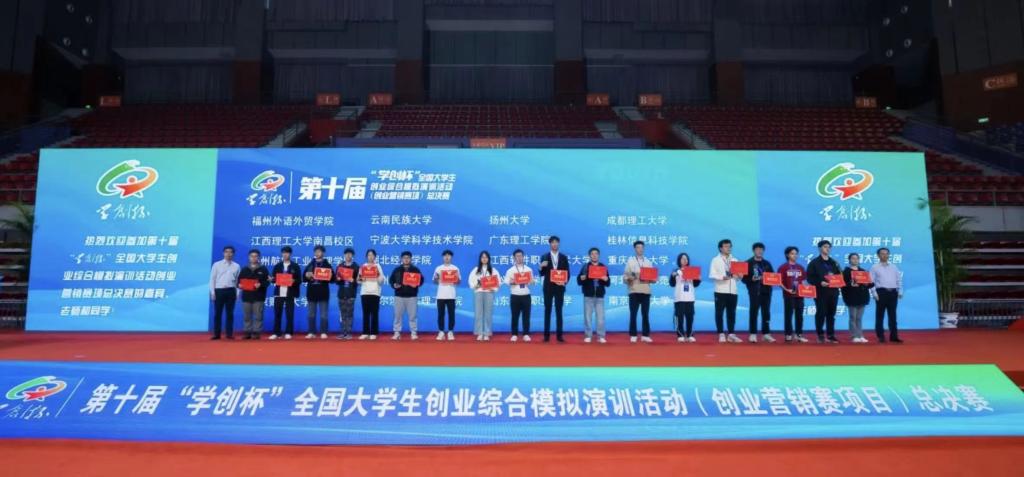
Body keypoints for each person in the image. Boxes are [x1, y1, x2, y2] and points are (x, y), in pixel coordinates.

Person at [807, 240, 842, 343]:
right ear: (819, 248)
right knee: (821, 313)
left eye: (829, 247)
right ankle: (820, 334)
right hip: (820, 291)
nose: (828, 249)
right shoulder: (814, 263)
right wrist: (819, 282)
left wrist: (839, 281)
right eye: (825, 246)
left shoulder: (834, 262)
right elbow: (810, 278)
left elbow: (840, 275)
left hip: (833, 291)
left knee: (831, 314)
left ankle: (831, 335)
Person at [709, 239, 742, 343]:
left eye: (730, 246)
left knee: (732, 313)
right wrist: (722, 277)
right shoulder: (715, 260)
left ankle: (731, 334)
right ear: (720, 248)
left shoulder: (735, 260)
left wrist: (740, 276)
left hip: (733, 290)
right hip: (720, 290)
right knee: (719, 313)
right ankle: (721, 333)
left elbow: (738, 278)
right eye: (726, 246)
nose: (729, 248)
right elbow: (712, 274)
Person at [741, 242, 776, 343]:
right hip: (754, 292)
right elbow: (743, 279)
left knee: (766, 313)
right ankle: (752, 334)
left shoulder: (767, 263)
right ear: (753, 251)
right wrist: (751, 279)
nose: (759, 251)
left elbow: (773, 277)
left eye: (761, 249)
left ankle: (766, 334)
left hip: (766, 291)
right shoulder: (748, 263)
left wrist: (771, 279)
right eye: (757, 249)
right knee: (754, 312)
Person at [623, 240, 656, 343]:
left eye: (642, 247)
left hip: (646, 291)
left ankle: (645, 335)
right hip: (634, 290)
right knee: (633, 314)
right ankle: (633, 334)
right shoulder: (630, 261)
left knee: (645, 314)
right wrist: (629, 278)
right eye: (638, 247)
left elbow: (652, 278)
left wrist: (653, 279)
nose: (640, 249)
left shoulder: (648, 262)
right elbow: (625, 277)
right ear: (635, 249)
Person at [540, 235, 570, 343]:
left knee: (559, 311)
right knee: (547, 310)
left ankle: (559, 336)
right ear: (550, 244)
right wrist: (541, 267)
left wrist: (564, 282)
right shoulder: (544, 256)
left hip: (559, 287)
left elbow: (567, 273)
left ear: (559, 243)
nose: (554, 244)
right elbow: (542, 273)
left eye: (556, 242)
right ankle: (546, 336)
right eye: (552, 242)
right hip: (548, 287)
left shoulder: (563, 257)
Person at [870, 247, 904, 343]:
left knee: (893, 315)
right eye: (882, 253)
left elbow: (898, 280)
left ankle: (894, 336)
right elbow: (871, 281)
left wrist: (900, 291)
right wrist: (874, 293)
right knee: (880, 315)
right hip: (881, 292)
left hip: (893, 293)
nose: (885, 255)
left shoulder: (894, 267)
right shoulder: (874, 267)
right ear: (878, 255)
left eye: (886, 253)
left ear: (889, 255)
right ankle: (880, 336)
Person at [577, 247, 610, 344]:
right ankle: (588, 336)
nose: (594, 255)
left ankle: (601, 336)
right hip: (588, 295)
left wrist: (606, 279)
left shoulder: (603, 267)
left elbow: (608, 283)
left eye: (596, 254)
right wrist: (582, 278)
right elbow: (579, 281)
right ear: (589, 256)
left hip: (600, 296)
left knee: (600, 318)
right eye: (592, 254)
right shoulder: (585, 267)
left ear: (599, 255)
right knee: (587, 318)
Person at [269, 246, 302, 340]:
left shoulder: (295, 266)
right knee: (277, 313)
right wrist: (271, 279)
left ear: (290, 254)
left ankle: (288, 332)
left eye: (287, 253)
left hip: (290, 293)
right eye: (283, 253)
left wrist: (293, 281)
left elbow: (299, 280)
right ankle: (276, 333)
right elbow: (274, 279)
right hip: (279, 293)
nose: (285, 254)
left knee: (289, 314)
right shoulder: (278, 266)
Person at [778, 246, 809, 343]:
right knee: (788, 315)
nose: (795, 255)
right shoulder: (783, 267)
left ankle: (799, 335)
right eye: (792, 253)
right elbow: (779, 281)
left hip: (800, 295)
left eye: (796, 253)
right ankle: (788, 334)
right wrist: (787, 289)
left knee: (799, 316)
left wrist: (807, 290)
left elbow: (804, 281)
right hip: (789, 295)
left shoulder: (800, 267)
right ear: (787, 255)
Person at [389, 251, 422, 340]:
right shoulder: (397, 269)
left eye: (408, 258)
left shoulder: (415, 269)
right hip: (399, 296)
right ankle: (397, 333)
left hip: (412, 296)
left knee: (413, 316)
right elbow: (391, 280)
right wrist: (394, 285)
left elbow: (421, 280)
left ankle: (414, 333)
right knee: (397, 315)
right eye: (404, 258)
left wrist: (417, 284)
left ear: (411, 259)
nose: (406, 259)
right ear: (401, 259)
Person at [842, 252, 874, 343]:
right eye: (853, 258)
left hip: (862, 297)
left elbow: (871, 284)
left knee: (859, 318)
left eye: (857, 258)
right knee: (853, 317)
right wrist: (850, 284)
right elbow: (842, 285)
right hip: (851, 297)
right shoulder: (846, 272)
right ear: (849, 260)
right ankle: (854, 336)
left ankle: (860, 335)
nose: (855, 260)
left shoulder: (863, 271)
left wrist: (867, 284)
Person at [209, 245, 240, 340]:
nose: (228, 254)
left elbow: (238, 281)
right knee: (218, 313)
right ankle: (217, 334)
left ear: (233, 254)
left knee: (230, 313)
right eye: (226, 252)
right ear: (223, 253)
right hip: (219, 290)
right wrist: (212, 292)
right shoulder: (216, 265)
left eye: (231, 252)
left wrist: (237, 293)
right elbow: (212, 279)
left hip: (231, 290)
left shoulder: (236, 266)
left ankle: (229, 334)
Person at [668, 252, 701, 342]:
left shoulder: (692, 270)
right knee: (679, 317)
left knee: (690, 317)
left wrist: (698, 279)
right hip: (679, 298)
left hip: (690, 297)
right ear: (679, 260)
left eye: (686, 258)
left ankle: (690, 335)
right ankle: (680, 335)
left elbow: (695, 284)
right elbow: (672, 284)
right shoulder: (676, 271)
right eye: (683, 258)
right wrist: (672, 276)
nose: (685, 260)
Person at [238, 248, 269, 340]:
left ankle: (256, 332)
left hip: (259, 296)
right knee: (247, 316)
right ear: (249, 257)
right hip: (246, 296)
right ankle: (247, 332)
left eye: (256, 256)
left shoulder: (263, 269)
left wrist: (261, 284)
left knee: (258, 316)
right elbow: (238, 281)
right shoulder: (244, 269)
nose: (254, 258)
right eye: (252, 256)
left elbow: (267, 282)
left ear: (259, 258)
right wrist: (239, 285)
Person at [469, 251, 500, 341]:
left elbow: (498, 282)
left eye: (486, 257)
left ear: (488, 259)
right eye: (482, 257)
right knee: (478, 313)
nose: (484, 259)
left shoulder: (493, 270)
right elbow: (470, 281)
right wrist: (475, 286)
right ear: (480, 259)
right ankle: (479, 333)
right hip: (478, 292)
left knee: (488, 313)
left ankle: (487, 333)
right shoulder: (476, 270)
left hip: (489, 293)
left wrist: (493, 289)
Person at [504, 248, 534, 342]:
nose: (519, 258)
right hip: (515, 295)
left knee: (526, 316)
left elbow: (532, 282)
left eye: (521, 256)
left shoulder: (528, 269)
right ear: (514, 258)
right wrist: (513, 282)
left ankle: (526, 334)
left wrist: (532, 281)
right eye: (517, 256)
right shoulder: (510, 270)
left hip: (526, 295)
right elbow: (506, 282)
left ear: (523, 257)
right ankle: (514, 334)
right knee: (514, 316)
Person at [303, 245, 333, 339]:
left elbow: (333, 279)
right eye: (316, 251)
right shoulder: (310, 264)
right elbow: (303, 278)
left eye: (319, 251)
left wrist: (330, 276)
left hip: (323, 292)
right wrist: (306, 275)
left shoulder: (327, 265)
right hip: (312, 292)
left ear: (323, 253)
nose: (317, 253)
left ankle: (323, 331)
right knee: (311, 314)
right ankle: (311, 332)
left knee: (323, 314)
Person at [358, 249, 386, 340]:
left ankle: (374, 332)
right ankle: (365, 332)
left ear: (375, 257)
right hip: (364, 292)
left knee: (374, 313)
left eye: (372, 255)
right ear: (366, 256)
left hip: (375, 293)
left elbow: (381, 281)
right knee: (365, 313)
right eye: (369, 255)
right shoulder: (363, 266)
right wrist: (362, 279)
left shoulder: (377, 266)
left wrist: (377, 275)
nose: (370, 257)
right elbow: (358, 280)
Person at [433, 249, 460, 341]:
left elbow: (458, 281)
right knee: (441, 314)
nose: (447, 257)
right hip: (440, 295)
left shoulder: (455, 268)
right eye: (445, 255)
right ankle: (441, 332)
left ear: (451, 257)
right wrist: (437, 278)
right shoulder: (438, 268)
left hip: (451, 295)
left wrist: (455, 279)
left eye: (449, 255)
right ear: (443, 257)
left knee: (451, 314)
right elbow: (435, 281)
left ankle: (450, 332)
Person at [334, 247, 359, 340]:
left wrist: (353, 281)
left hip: (351, 293)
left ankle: (348, 333)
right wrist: (338, 279)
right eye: (346, 254)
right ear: (344, 255)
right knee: (342, 314)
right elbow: (336, 281)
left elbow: (359, 281)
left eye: (350, 254)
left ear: (352, 255)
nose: (348, 255)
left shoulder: (356, 267)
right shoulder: (340, 266)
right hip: (341, 293)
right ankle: (342, 332)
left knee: (349, 314)